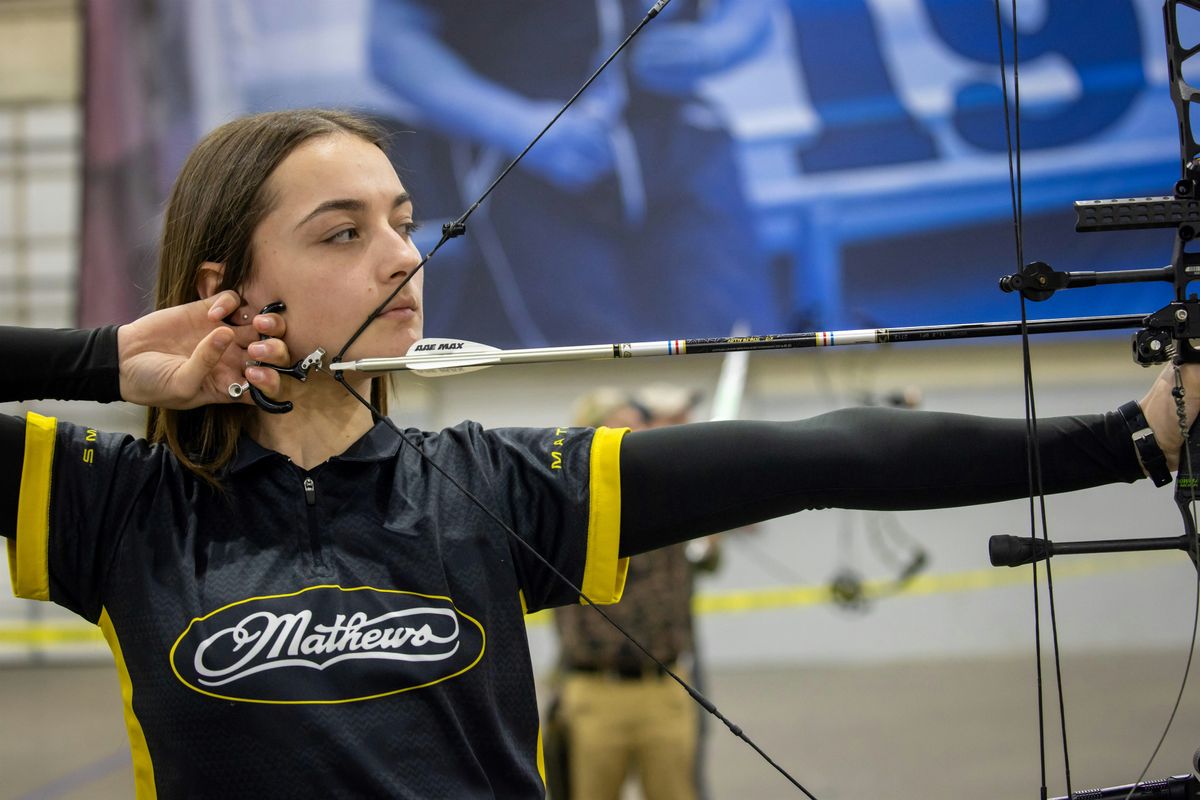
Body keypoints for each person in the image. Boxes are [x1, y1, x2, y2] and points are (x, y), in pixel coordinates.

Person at [0, 108, 1194, 798]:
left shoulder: (497, 485)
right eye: (343, 232)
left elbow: (828, 453)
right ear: (224, 287)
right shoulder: (119, 505)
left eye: (406, 224)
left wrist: (1129, 435)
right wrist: (108, 360)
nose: (403, 259)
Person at [367, 0, 786, 346]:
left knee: (738, 340)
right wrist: (519, 127)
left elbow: (752, 10)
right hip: (521, 160)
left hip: (679, 144)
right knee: (587, 358)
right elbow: (392, 43)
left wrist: (716, 46)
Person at [551, 385, 717, 800]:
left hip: (665, 688)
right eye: (617, 427)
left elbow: (709, 556)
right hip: (594, 692)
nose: (632, 435)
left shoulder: (672, 496)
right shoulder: (564, 503)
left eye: (636, 425)